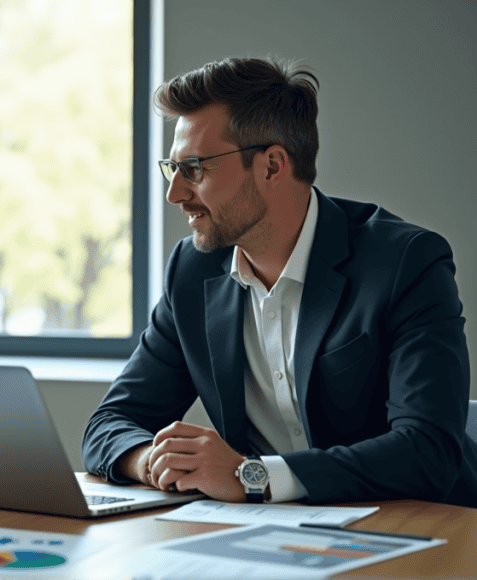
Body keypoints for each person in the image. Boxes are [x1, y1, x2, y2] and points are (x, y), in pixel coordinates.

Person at [83, 57, 477, 506]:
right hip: (269, 538)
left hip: (422, 534)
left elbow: (428, 450)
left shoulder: (405, 263)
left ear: (272, 166)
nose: (176, 193)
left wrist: (252, 476)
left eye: (195, 169)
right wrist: (153, 460)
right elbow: (109, 423)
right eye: (173, 169)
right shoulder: (192, 273)